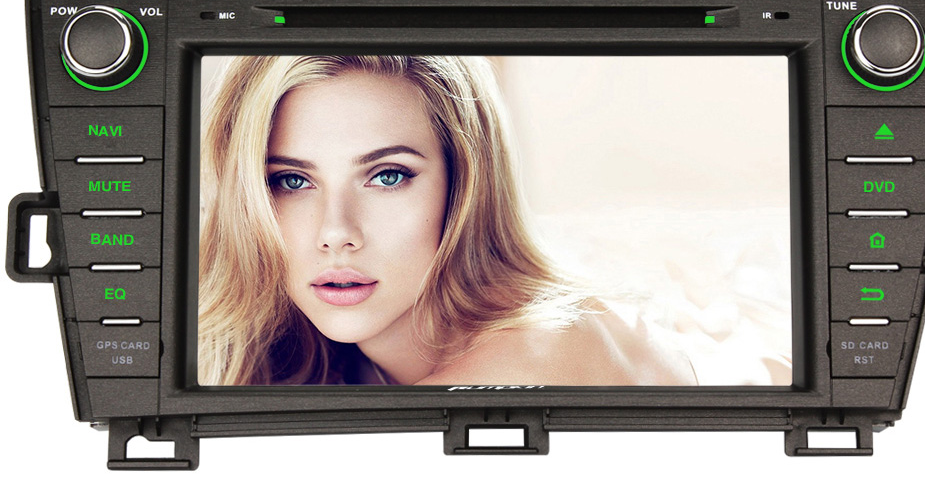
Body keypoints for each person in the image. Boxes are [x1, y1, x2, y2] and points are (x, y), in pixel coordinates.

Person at [198, 54, 696, 386]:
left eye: (387, 176)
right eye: (291, 181)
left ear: (464, 185)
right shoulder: (314, 355)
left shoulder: (531, 360)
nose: (336, 234)